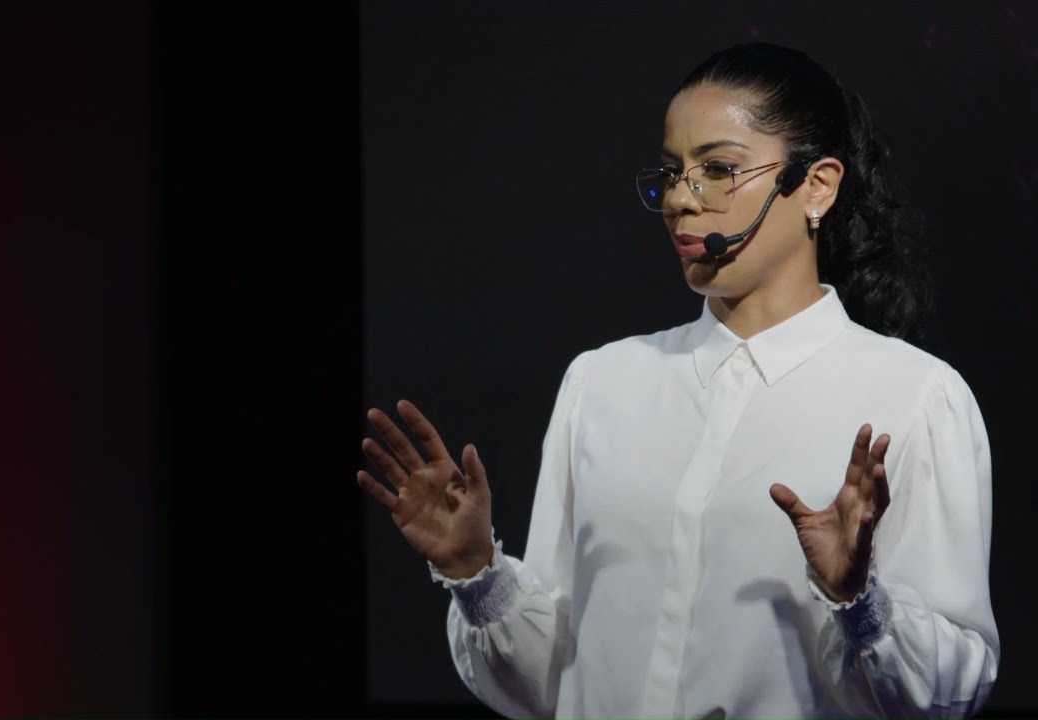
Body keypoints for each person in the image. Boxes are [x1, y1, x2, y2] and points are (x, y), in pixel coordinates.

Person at [357, 42, 999, 719]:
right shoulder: (601, 383)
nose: (680, 201)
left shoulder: (915, 397)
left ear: (817, 186)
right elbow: (552, 681)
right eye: (671, 173)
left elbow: (951, 690)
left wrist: (858, 602)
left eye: (718, 170)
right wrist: (475, 577)